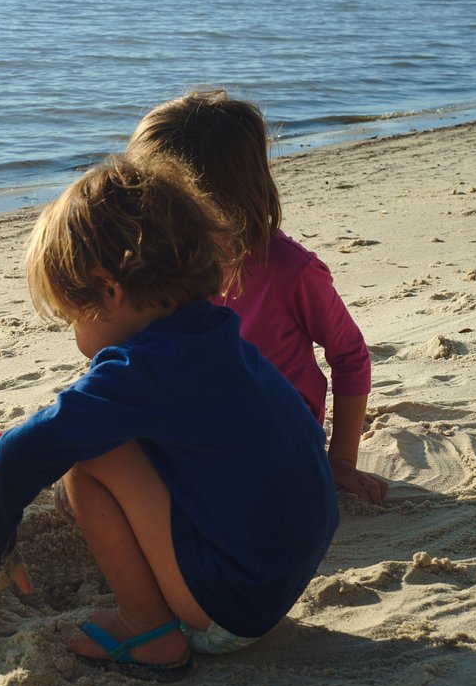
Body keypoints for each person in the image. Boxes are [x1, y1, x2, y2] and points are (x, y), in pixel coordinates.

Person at [0, 157, 338, 672]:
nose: (75, 337)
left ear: (110, 291)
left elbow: (14, 454)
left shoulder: (142, 371)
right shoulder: (218, 333)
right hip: (284, 571)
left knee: (90, 458)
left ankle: (147, 630)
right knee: (110, 442)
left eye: (71, 317)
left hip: (234, 604)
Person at [127, 90, 387, 505]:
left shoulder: (289, 269)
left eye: (161, 202)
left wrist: (341, 461)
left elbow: (350, 354)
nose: (147, 214)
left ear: (219, 198)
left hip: (276, 435)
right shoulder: (159, 264)